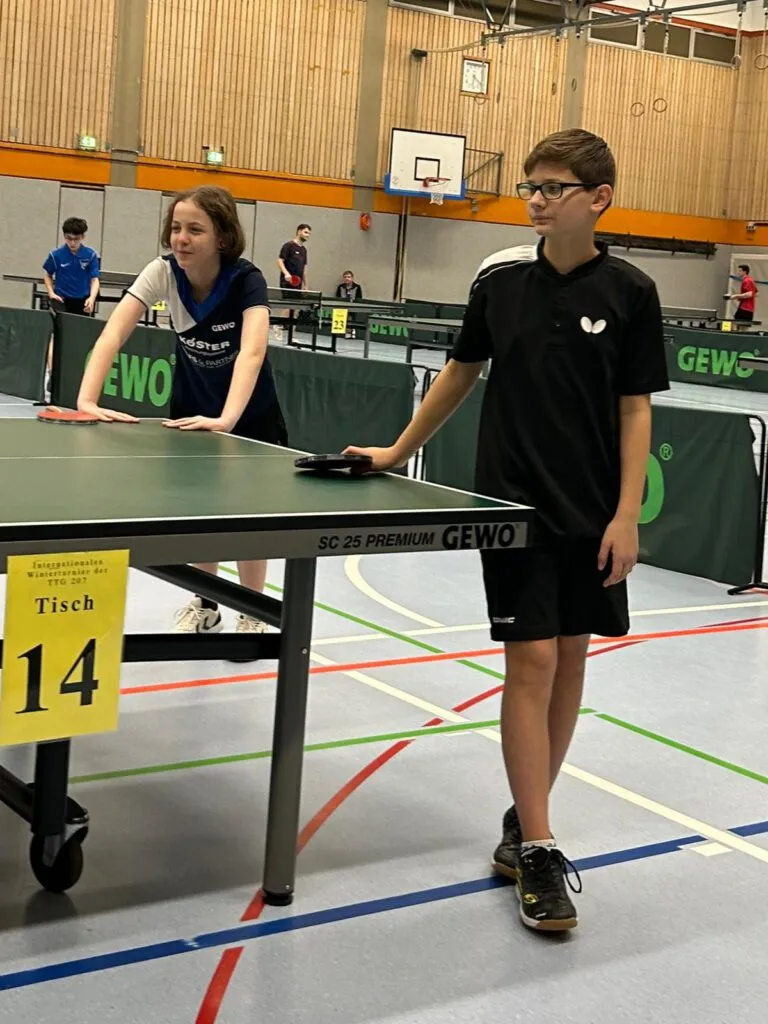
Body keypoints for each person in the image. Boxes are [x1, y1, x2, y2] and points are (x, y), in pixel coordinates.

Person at [344, 129, 670, 932]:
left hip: (593, 510)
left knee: (571, 659)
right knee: (532, 660)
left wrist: (626, 515)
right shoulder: (499, 281)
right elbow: (460, 372)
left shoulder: (631, 292)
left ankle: (526, 820)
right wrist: (396, 452)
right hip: (515, 506)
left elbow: (635, 410)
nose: (536, 200)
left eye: (553, 187)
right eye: (531, 186)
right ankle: (542, 850)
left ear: (598, 198)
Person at [77, 185, 286, 640]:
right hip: (191, 408)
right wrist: (86, 400)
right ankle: (206, 605)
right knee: (200, 513)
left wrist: (227, 420)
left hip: (250, 415)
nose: (181, 239)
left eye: (195, 229)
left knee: (248, 518)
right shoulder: (163, 272)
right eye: (176, 228)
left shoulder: (246, 280)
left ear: (222, 237)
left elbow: (252, 352)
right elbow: (113, 335)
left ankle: (253, 610)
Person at [43, 216, 100, 315]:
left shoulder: (91, 255)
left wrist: (91, 298)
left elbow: (95, 280)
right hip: (61, 300)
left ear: (82, 236)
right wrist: (51, 293)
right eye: (69, 238)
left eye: (76, 239)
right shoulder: (55, 255)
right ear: (64, 236)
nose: (72, 243)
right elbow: (48, 275)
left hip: (82, 301)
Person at [277, 224, 311, 291]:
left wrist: (306, 285)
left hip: (298, 285)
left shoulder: (304, 250)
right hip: (287, 283)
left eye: (309, 234)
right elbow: (279, 261)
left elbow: (304, 268)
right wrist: (286, 273)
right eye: (306, 232)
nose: (308, 235)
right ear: (299, 232)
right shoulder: (289, 245)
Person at [725, 264, 757, 330]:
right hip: (748, 307)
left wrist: (735, 296)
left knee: (737, 324)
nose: (738, 272)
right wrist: (740, 298)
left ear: (744, 272)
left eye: (740, 271)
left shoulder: (747, 280)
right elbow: (754, 293)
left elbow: (749, 294)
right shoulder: (750, 280)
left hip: (745, 308)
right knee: (742, 326)